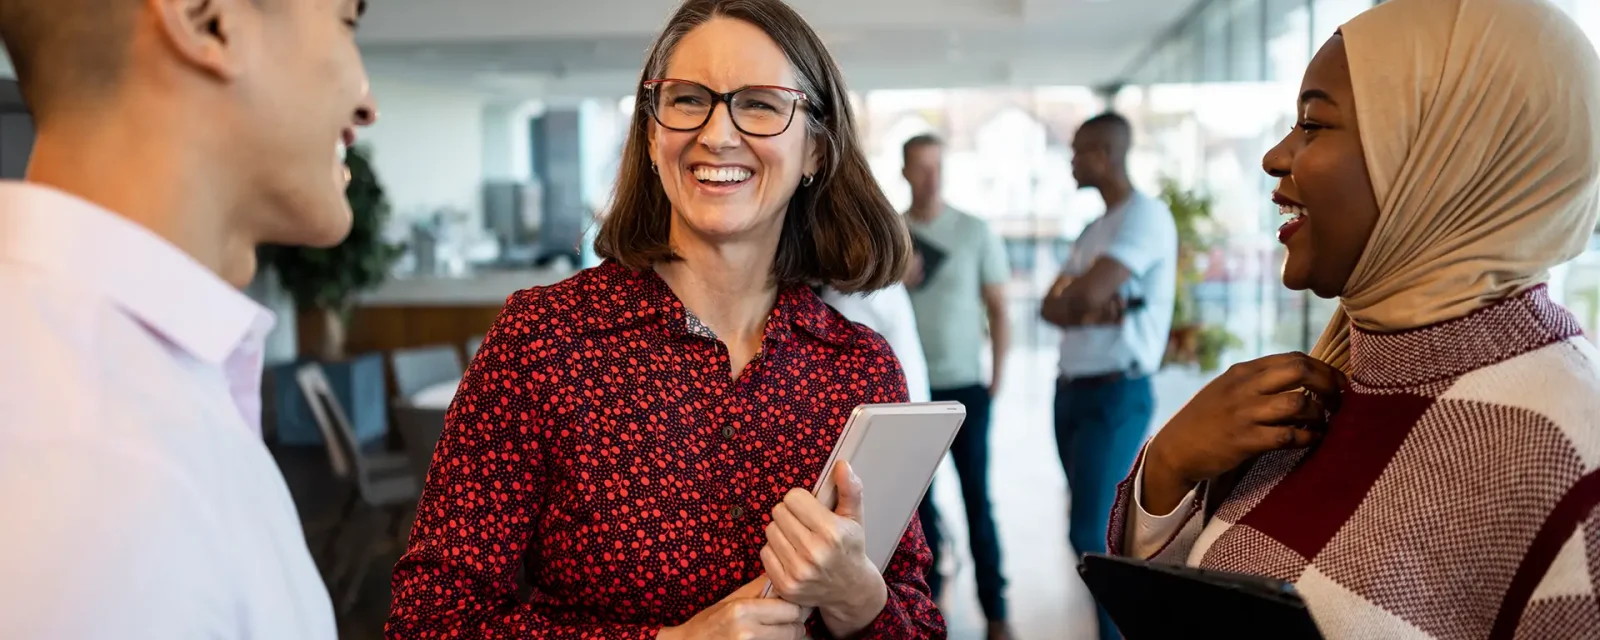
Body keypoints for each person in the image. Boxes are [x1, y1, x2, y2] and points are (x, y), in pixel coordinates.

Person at [386, 1, 945, 638]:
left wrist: (857, 597)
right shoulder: (543, 341)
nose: (717, 133)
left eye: (760, 103)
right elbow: (427, 621)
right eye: (686, 100)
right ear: (652, 135)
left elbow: (919, 623)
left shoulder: (859, 367)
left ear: (815, 148)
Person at [1110, 0, 1600, 636]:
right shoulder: (1335, 380)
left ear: (1441, 158)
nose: (1275, 158)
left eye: (1313, 126)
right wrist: (1170, 468)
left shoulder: (1565, 458)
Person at [0, 0, 377, 637]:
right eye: (346, 21)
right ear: (207, 20)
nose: (367, 106)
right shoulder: (100, 475)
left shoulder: (105, 392)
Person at [1040, 111, 1176, 640]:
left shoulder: (1145, 217)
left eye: (1078, 151)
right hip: (1072, 393)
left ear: (1104, 154)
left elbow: (1079, 296)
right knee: (1090, 533)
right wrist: (1082, 303)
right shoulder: (1095, 229)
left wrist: (1081, 301)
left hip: (1115, 394)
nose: (1071, 161)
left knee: (1094, 534)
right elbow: (1051, 308)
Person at [902, 133, 1014, 639]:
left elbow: (998, 306)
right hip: (909, 395)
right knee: (915, 509)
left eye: (937, 168)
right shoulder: (892, 234)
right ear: (905, 172)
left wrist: (998, 376)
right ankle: (928, 604)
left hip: (966, 387)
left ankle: (996, 610)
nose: (931, 178)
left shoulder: (974, 231)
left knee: (977, 500)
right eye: (921, 168)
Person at [820, 284, 930, 403]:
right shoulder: (888, 289)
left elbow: (844, 380)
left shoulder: (853, 300)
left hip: (892, 410)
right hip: (909, 404)